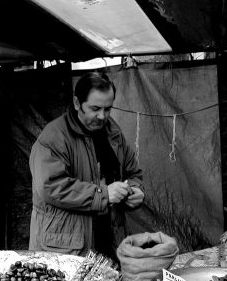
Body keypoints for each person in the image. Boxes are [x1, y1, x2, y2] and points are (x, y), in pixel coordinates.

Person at [29, 72, 144, 259]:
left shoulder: (113, 133)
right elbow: (51, 187)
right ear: (77, 103)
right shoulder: (53, 137)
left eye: (108, 109)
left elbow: (133, 173)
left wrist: (136, 190)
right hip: (66, 249)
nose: (102, 116)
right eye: (95, 108)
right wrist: (104, 194)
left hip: (109, 242)